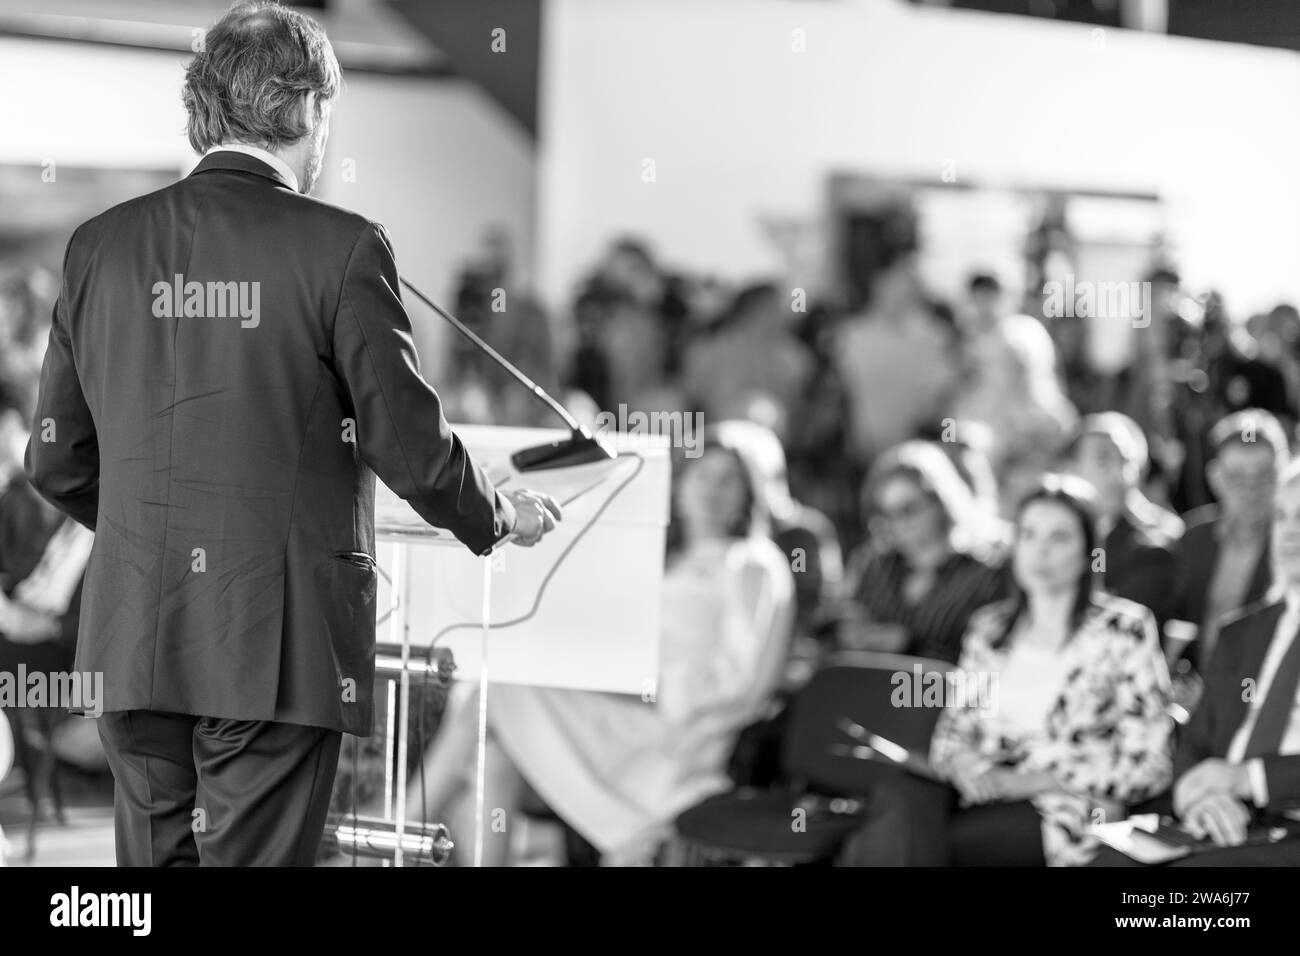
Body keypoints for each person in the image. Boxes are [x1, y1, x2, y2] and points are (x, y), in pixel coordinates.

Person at [23, 0, 560, 867]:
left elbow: (55, 459)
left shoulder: (99, 245)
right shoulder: (342, 248)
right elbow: (410, 446)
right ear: (307, 108)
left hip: (131, 634)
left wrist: (153, 531)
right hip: (272, 642)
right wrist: (498, 514)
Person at [409, 435, 795, 865]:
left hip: (671, 737)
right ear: (681, 485)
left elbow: (746, 682)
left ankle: (398, 828)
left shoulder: (755, 564)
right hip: (621, 709)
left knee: (492, 692)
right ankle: (408, 830)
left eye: (728, 480)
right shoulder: (664, 560)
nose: (711, 489)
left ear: (748, 495)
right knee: (495, 744)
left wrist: (656, 691)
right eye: (703, 475)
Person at [839, 476, 1173, 866]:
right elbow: (950, 738)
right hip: (978, 791)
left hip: (1061, 804)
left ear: (1087, 552)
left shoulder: (1124, 629)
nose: (1040, 552)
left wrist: (1033, 781)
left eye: (1059, 537)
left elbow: (1151, 765)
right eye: (1029, 535)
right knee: (901, 795)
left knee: (898, 840)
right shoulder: (989, 629)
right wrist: (966, 768)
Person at [1093, 459, 1300, 866]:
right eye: (1282, 516)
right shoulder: (1243, 632)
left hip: (1287, 818)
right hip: (1228, 818)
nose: (1290, 530)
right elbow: (1196, 742)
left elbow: (1240, 773)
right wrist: (1195, 793)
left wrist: (1249, 779)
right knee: (1106, 856)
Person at [837, 441, 1009, 664]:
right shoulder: (873, 564)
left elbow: (991, 658)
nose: (898, 524)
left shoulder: (986, 572)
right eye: (885, 514)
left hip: (943, 695)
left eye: (908, 510)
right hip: (871, 692)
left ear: (940, 500)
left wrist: (911, 645)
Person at [1170, 409, 1289, 677]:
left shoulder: (1293, 545)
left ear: (1284, 477)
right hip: (1200, 694)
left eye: (1263, 476)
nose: (1251, 490)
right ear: (1216, 478)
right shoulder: (1194, 537)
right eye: (1237, 477)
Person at [1062, 412, 1182, 629]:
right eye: (1103, 460)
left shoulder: (1159, 539)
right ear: (1073, 469)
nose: (1118, 473)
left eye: (1126, 460)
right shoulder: (1060, 530)